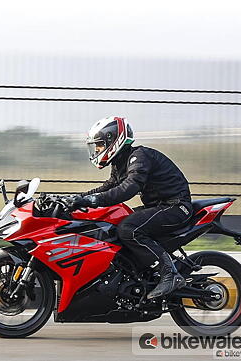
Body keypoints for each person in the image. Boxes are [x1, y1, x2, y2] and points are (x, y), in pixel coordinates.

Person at [66, 116, 192, 299]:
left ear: (113, 140)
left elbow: (128, 188)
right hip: (159, 206)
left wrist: (90, 201)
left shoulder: (139, 156)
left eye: (100, 145)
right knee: (115, 225)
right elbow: (109, 186)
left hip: (176, 207)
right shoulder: (120, 162)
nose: (97, 150)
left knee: (128, 229)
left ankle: (169, 273)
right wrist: (77, 198)